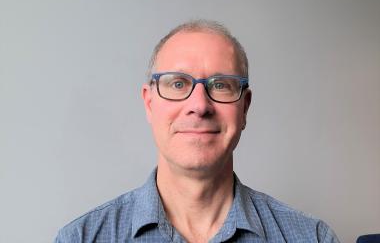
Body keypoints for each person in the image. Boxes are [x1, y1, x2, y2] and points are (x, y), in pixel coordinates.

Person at [55, 19, 340, 243]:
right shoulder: (80, 238)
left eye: (220, 85)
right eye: (178, 84)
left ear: (245, 108)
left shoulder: (312, 237)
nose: (199, 105)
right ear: (149, 103)